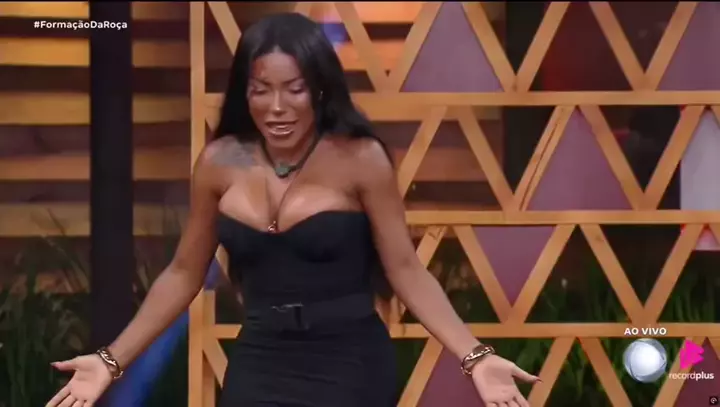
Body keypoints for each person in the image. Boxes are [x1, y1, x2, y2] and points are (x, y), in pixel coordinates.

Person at [46, 12, 538, 407]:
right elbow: (182, 274)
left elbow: (406, 270)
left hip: (347, 360)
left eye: (294, 89)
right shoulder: (219, 162)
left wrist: (475, 357)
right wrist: (111, 361)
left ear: (320, 90)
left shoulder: (361, 159)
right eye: (260, 89)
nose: (276, 106)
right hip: (261, 353)